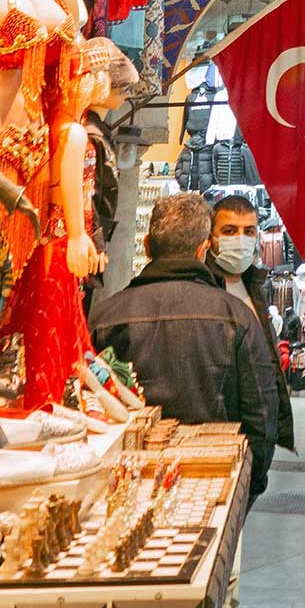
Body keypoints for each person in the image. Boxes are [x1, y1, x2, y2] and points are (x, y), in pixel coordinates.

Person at [88, 193, 278, 500]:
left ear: (147, 245)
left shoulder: (104, 317)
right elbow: (261, 412)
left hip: (121, 481)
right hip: (213, 482)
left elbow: (87, 404)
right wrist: (248, 486)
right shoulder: (236, 318)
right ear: (203, 250)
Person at [206, 194, 295, 454]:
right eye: (229, 231)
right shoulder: (204, 286)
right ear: (211, 236)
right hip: (220, 425)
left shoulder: (255, 285)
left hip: (257, 425)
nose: (240, 240)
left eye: (249, 231)